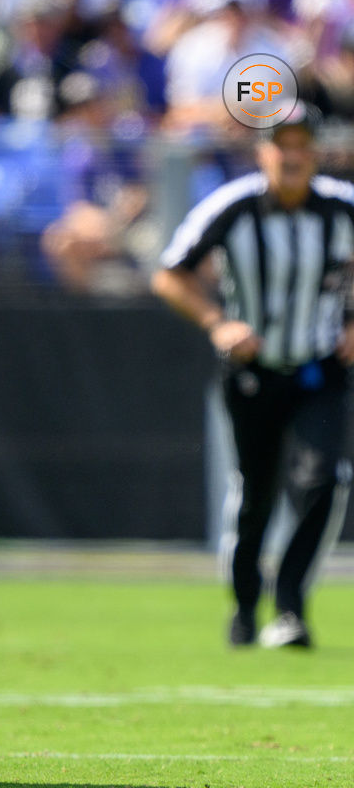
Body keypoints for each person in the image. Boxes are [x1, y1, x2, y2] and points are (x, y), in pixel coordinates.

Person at [151, 106, 354, 648]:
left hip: (320, 369)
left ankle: (289, 604)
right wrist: (218, 323)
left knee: (325, 480)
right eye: (281, 145)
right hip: (253, 372)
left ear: (315, 153)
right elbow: (170, 275)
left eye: (302, 145)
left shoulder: (342, 208)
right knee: (256, 492)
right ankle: (245, 604)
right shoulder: (232, 207)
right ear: (263, 152)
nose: (292, 155)